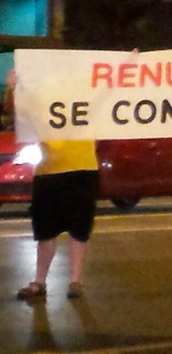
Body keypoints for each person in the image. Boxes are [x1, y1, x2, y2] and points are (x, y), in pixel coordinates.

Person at [5, 73, 100, 300]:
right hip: (49, 169)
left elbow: (120, 96)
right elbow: (15, 110)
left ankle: (75, 281)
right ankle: (40, 282)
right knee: (45, 230)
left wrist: (130, 64)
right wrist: (11, 88)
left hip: (82, 168)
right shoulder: (42, 101)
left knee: (79, 228)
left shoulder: (92, 97)